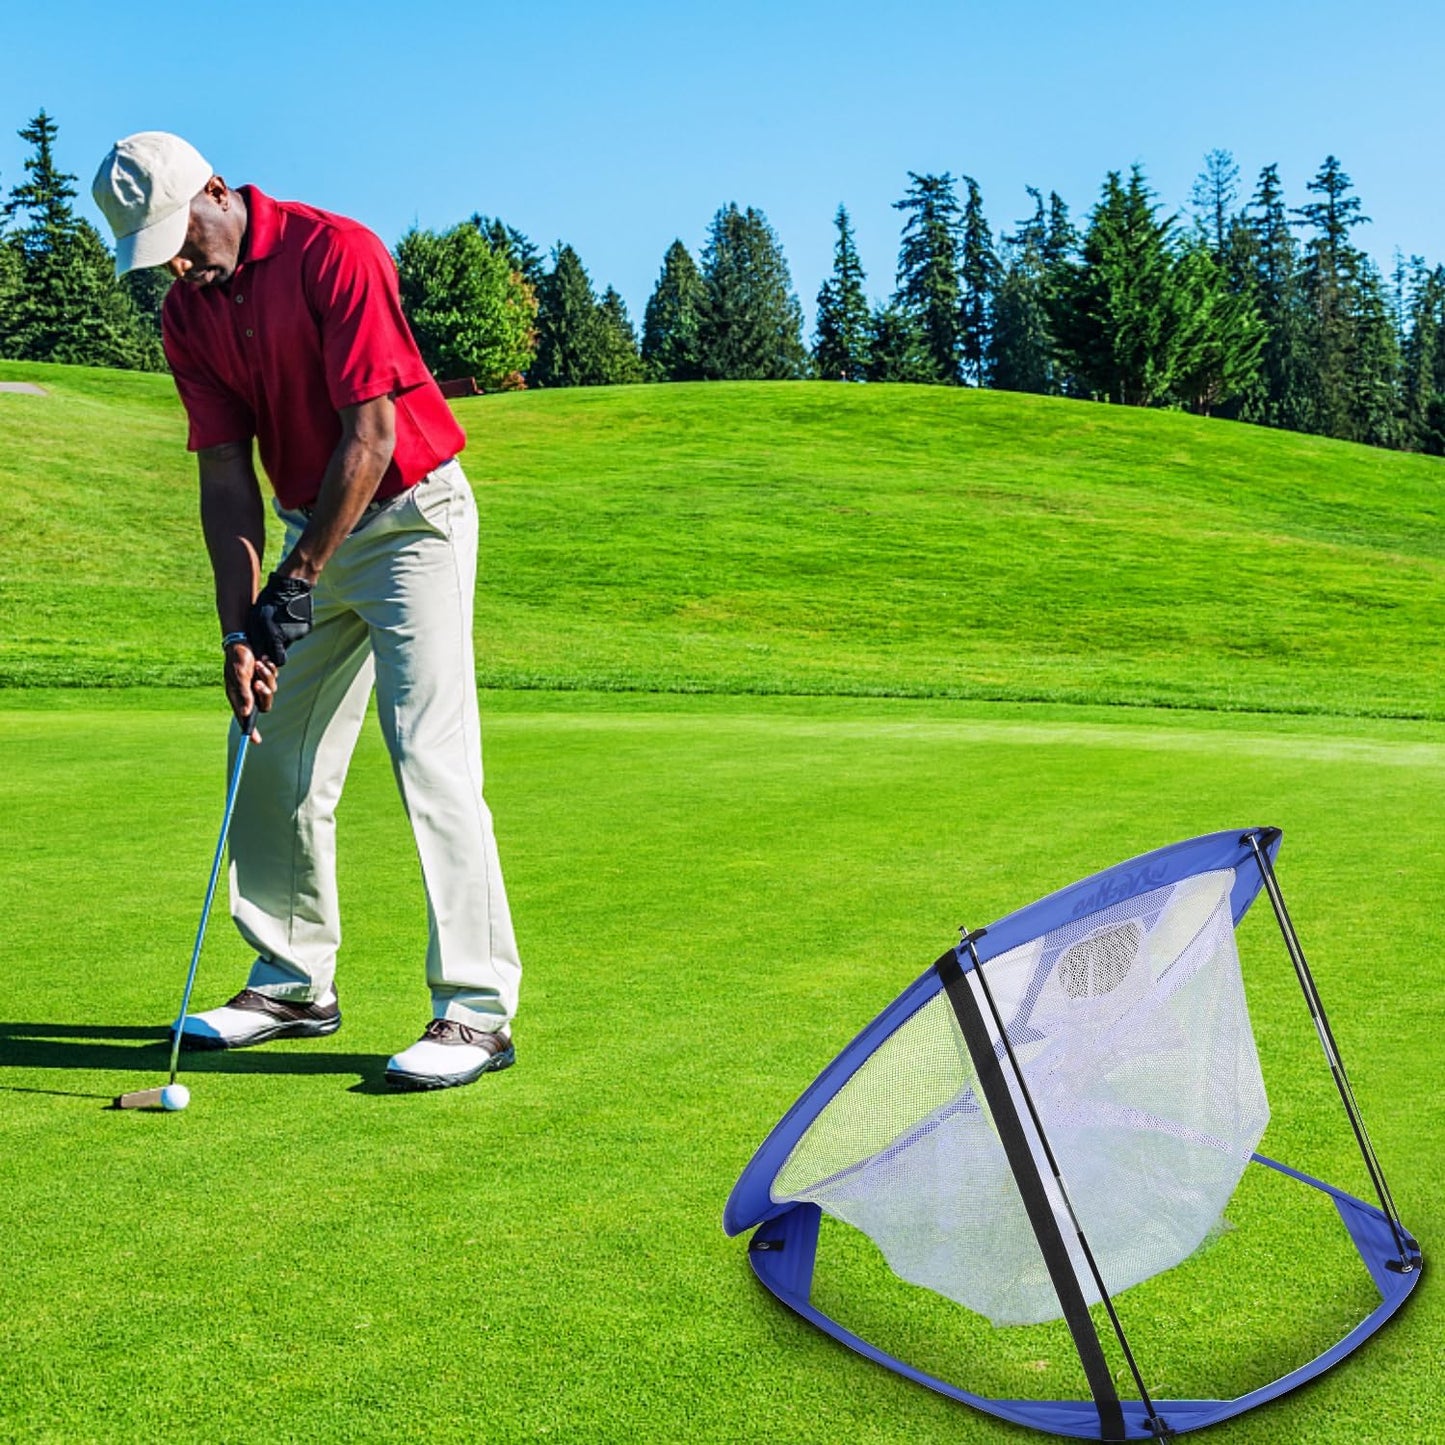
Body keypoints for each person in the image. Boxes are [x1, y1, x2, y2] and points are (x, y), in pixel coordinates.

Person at [91, 132, 522, 1090]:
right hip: (305, 528)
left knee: (429, 754)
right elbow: (223, 480)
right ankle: (291, 982)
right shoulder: (187, 315)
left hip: (414, 521)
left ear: (215, 188)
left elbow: (370, 439)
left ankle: (476, 1010)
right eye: (154, 252)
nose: (177, 264)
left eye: (179, 237)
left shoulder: (337, 251)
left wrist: (294, 584)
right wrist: (240, 625)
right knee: (268, 743)